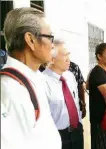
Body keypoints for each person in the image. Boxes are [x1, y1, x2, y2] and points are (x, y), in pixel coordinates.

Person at [1, 7, 61, 149]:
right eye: (50, 37)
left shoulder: (34, 77)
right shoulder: (11, 89)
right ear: (31, 40)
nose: (52, 45)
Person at [43, 39, 84, 149]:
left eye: (68, 55)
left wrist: (79, 123)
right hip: (58, 136)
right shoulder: (42, 81)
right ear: (52, 59)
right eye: (65, 55)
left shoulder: (70, 76)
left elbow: (75, 102)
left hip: (77, 132)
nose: (68, 59)